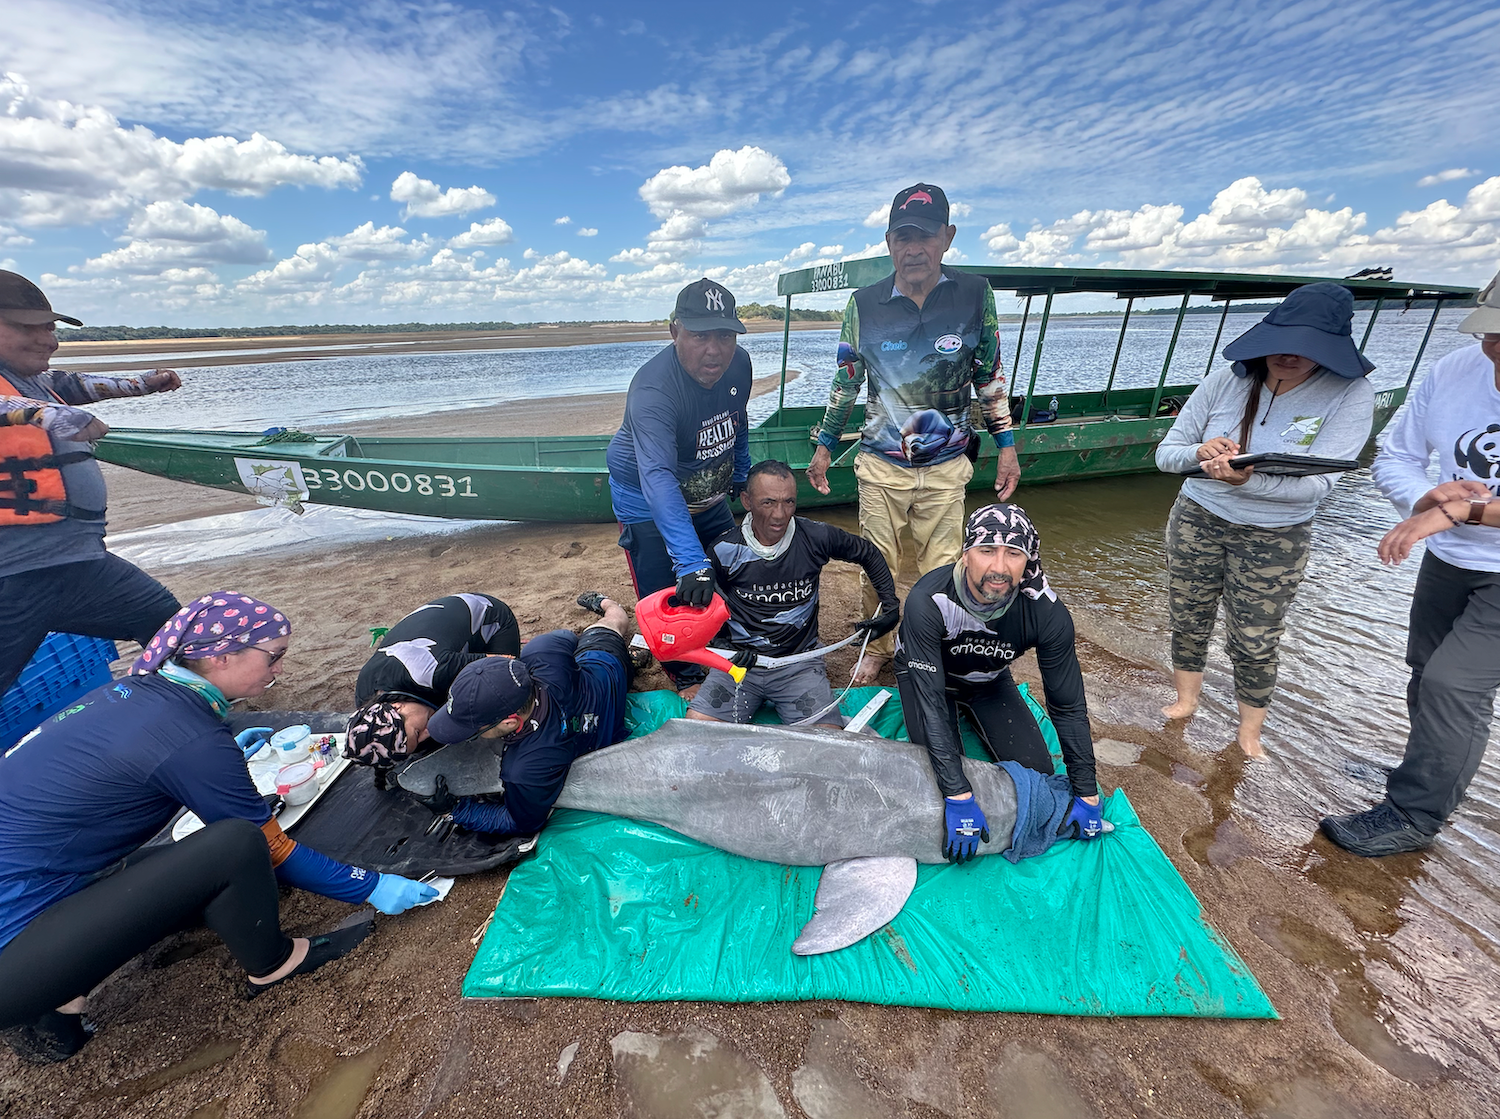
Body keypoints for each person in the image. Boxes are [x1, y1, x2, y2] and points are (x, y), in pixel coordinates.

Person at [0, 592, 436, 1064]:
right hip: (13, 953)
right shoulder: (190, 740)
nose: (281, 670)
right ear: (221, 656)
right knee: (235, 845)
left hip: (52, 883)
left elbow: (141, 759)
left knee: (216, 872)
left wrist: (223, 746)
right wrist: (371, 886)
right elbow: (272, 847)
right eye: (275, 656)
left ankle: (58, 996)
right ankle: (274, 964)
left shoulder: (140, 693)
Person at [805, 184, 1021, 686]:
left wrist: (1006, 447)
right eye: (903, 237)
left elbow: (989, 376)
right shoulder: (864, 303)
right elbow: (846, 381)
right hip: (881, 464)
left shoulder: (974, 295)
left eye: (925, 236)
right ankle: (878, 645)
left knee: (943, 567)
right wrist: (823, 447)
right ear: (888, 241)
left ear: (947, 238)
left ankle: (929, 646)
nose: (914, 248)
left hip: (947, 467)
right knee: (875, 563)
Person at [1153, 282, 1376, 756]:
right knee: (1188, 616)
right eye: (1283, 342)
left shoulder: (1350, 394)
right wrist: (1200, 452)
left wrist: (1245, 481)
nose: (1290, 356)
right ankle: (1185, 700)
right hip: (1199, 515)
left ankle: (1248, 731)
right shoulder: (1226, 380)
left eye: (1306, 348)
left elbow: (1319, 485)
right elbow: (1166, 455)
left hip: (1276, 535)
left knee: (1255, 636)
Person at [1320, 269, 1500, 856]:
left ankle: (1414, 814)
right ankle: (1426, 773)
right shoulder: (1453, 371)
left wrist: (1462, 512)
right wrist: (1425, 500)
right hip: (1451, 558)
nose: (1494, 355)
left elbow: (1464, 510)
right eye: (1491, 339)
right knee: (1426, 672)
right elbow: (1396, 454)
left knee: (1455, 685)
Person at [0, 270, 186, 693]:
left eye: (49, 327)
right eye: (27, 326)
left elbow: (74, 383)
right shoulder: (22, 398)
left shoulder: (36, 381)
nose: (47, 339)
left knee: (167, 624)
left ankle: (178, 714)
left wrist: (143, 383)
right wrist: (47, 415)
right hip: (13, 576)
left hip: (77, 565)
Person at [894, 504, 1103, 863]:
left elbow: (1067, 704)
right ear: (966, 553)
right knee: (942, 778)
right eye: (987, 550)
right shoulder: (928, 601)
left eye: (1013, 554)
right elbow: (929, 701)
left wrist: (1087, 791)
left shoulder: (1045, 612)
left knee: (1038, 776)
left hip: (988, 680)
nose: (999, 568)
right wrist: (958, 796)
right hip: (927, 681)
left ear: (1029, 560)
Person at [606, 278, 752, 693]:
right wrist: (689, 562)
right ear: (675, 332)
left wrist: (742, 473)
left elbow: (737, 420)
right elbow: (657, 476)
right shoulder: (654, 389)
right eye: (700, 335)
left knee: (727, 569)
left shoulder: (739, 363)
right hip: (647, 497)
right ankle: (685, 676)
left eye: (724, 336)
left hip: (707, 494)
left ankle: (721, 644)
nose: (714, 350)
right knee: (667, 595)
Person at [686, 459, 900, 728]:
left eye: (789, 502)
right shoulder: (723, 550)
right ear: (746, 500)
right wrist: (725, 648)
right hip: (740, 666)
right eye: (768, 502)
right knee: (697, 729)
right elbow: (704, 611)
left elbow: (868, 553)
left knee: (826, 740)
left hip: (798, 663)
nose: (780, 514)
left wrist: (890, 606)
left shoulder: (815, 536)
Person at [418, 594, 636, 838]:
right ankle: (606, 604)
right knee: (612, 622)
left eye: (475, 731)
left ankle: (611, 618)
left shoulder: (527, 767)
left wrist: (456, 810)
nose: (473, 735)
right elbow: (566, 638)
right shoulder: (542, 652)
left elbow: (522, 822)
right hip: (608, 668)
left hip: (602, 736)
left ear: (511, 722)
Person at [345, 593, 521, 774]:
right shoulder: (367, 700)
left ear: (397, 707)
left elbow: (506, 665)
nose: (426, 733)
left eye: (417, 732)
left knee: (494, 699)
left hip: (489, 618)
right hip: (434, 640)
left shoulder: (432, 671)